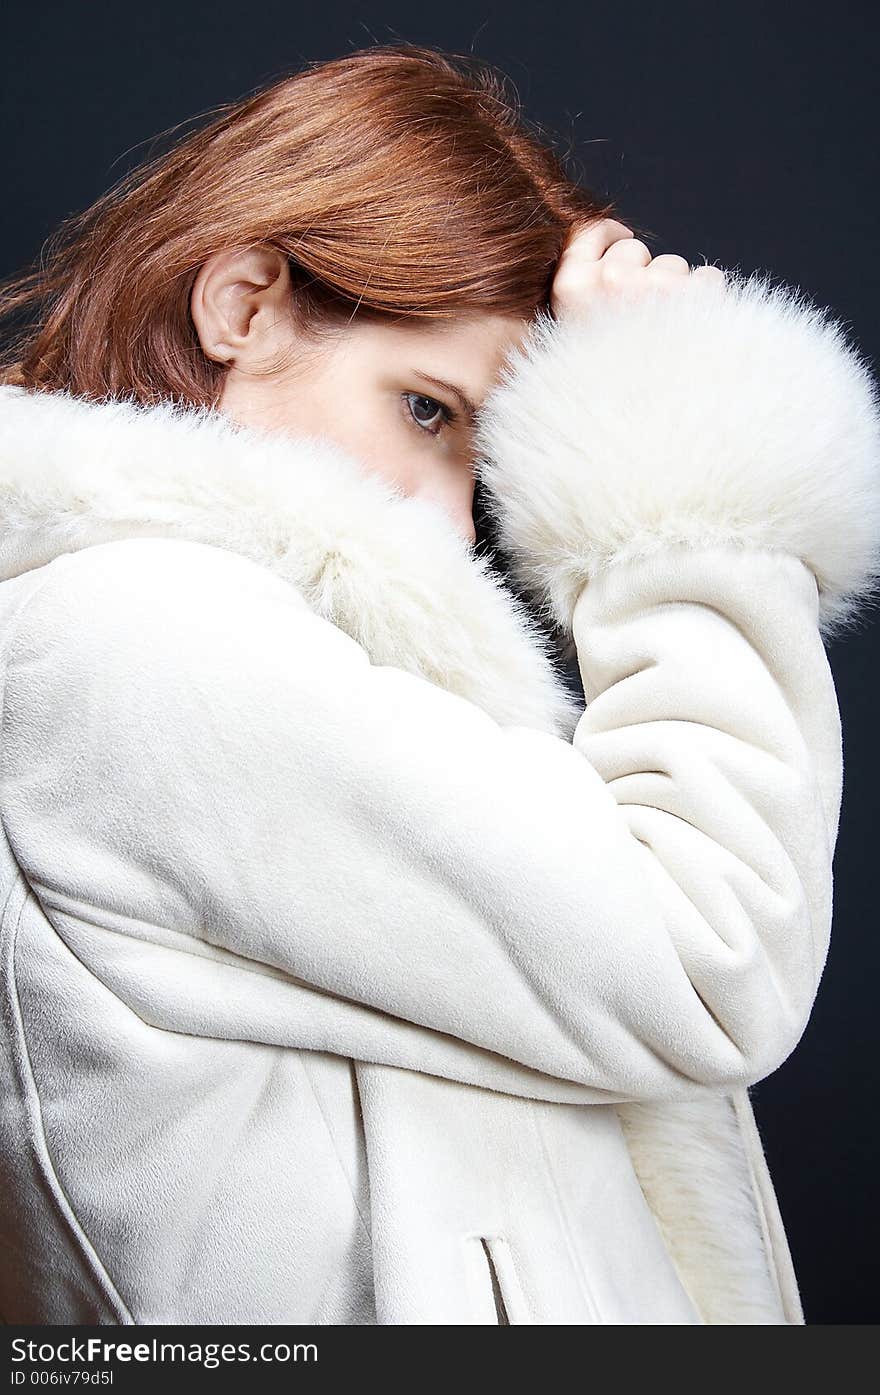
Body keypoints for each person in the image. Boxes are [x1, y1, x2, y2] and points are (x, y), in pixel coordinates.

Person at [0, 42, 878, 1327]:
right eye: (425, 410)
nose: (454, 525)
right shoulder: (132, 636)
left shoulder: (182, 634)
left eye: (484, 462)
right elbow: (708, 957)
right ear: (243, 305)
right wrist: (686, 474)